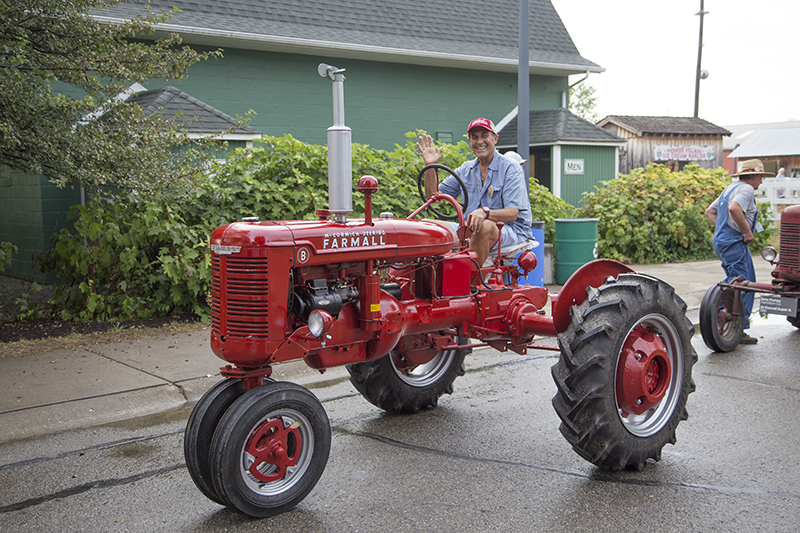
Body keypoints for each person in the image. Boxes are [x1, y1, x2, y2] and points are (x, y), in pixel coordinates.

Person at [417, 118, 532, 266]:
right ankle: (430, 281)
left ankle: (469, 281)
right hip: (469, 228)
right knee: (425, 228)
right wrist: (430, 166)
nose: (479, 141)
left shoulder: (511, 167)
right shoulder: (466, 169)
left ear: (495, 138)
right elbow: (433, 196)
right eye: (474, 137)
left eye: (484, 136)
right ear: (470, 141)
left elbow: (512, 213)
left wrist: (485, 212)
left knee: (482, 226)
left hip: (510, 230)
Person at [705, 159, 773, 345]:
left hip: (723, 241)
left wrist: (722, 230)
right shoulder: (746, 189)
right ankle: (737, 328)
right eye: (760, 177)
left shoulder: (730, 188)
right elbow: (734, 208)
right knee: (744, 284)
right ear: (754, 176)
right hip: (734, 242)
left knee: (734, 281)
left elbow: (710, 212)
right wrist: (745, 231)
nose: (761, 182)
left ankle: (719, 317)